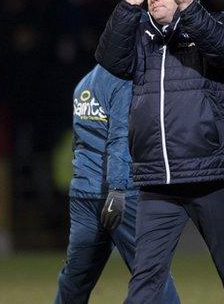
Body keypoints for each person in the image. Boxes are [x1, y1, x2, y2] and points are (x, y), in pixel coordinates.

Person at [95, 0, 224, 304]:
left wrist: (190, 9)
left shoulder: (218, 23)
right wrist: (128, 8)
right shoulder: (140, 35)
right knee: (146, 276)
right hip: (157, 179)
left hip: (210, 173)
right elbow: (110, 59)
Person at [54, 64, 180, 304]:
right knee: (152, 272)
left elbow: (80, 142)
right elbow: (119, 139)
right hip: (121, 195)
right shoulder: (122, 84)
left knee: (75, 279)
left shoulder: (84, 84)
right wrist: (117, 189)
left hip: (85, 192)